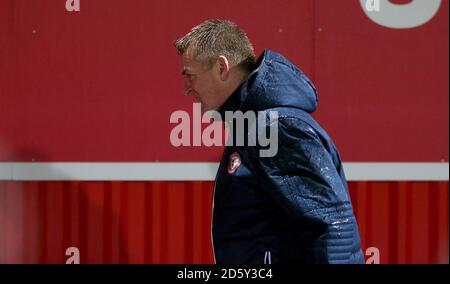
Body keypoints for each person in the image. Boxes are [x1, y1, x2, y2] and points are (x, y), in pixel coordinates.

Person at [174, 19, 365, 264]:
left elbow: (330, 225)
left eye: (190, 76)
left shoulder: (277, 128)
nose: (186, 88)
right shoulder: (252, 125)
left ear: (222, 67)